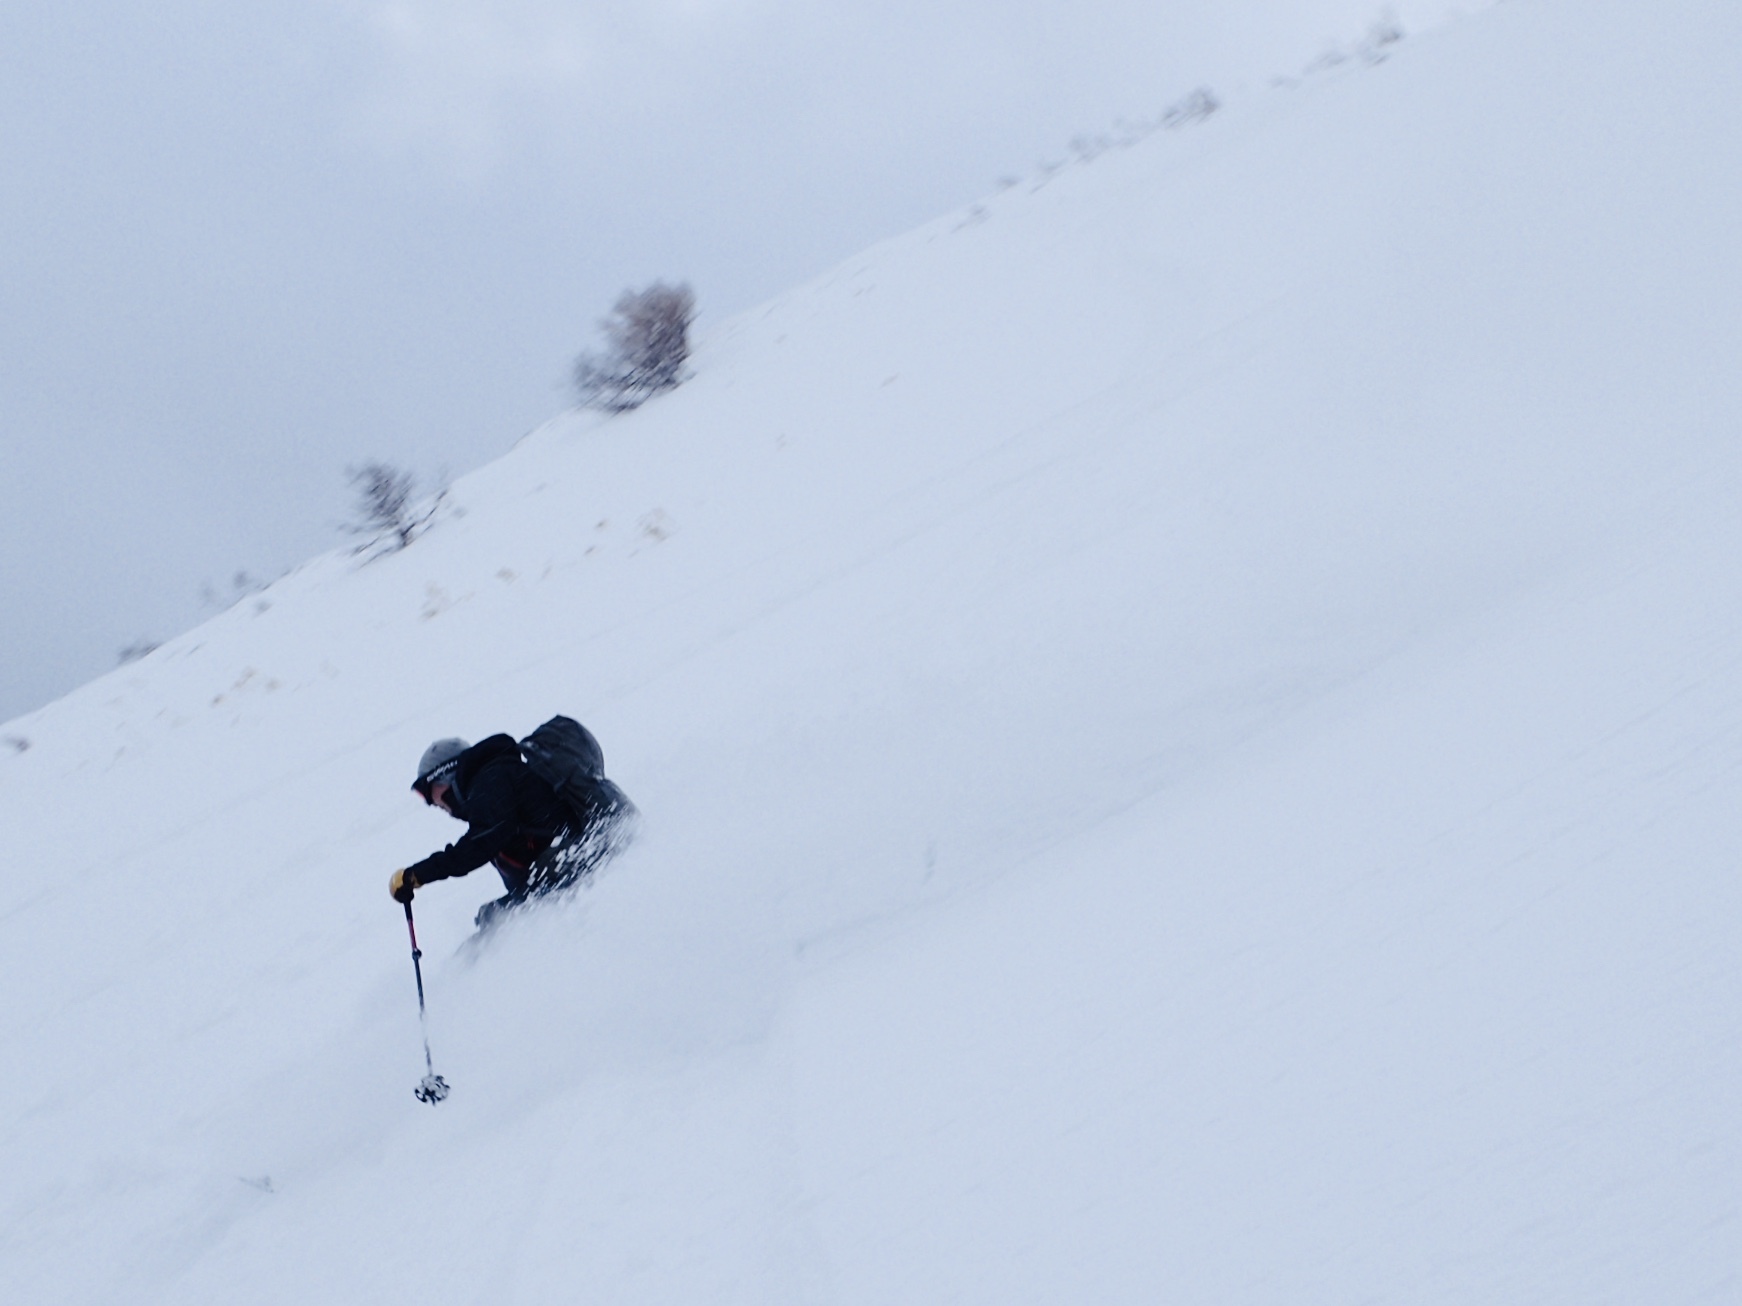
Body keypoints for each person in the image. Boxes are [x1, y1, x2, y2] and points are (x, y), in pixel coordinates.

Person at [389, 728, 635, 929]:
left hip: (577, 857)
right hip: (566, 864)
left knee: (498, 923)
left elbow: (481, 843)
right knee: (493, 918)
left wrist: (418, 874)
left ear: (445, 774)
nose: (431, 803)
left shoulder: (492, 779)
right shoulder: (493, 784)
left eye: (426, 793)